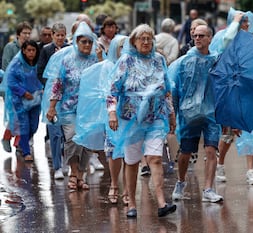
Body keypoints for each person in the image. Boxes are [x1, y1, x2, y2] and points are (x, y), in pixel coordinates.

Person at [107, 24, 176, 218]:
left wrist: (171, 114)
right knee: (132, 161)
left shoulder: (159, 60)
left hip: (155, 118)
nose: (146, 42)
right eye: (142, 39)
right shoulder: (126, 61)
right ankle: (131, 203)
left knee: (155, 158)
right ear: (133, 42)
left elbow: (167, 90)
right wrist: (112, 113)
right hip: (131, 119)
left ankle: (162, 202)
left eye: (149, 38)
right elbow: (113, 91)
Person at [168, 25, 222, 203]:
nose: (197, 38)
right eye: (195, 35)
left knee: (211, 150)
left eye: (202, 36)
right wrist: (174, 113)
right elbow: (174, 88)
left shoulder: (217, 60)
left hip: (211, 113)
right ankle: (181, 182)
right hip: (189, 113)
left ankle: (208, 189)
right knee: (186, 152)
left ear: (210, 38)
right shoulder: (184, 61)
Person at [45, 22, 101, 191]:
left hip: (89, 110)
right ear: (76, 42)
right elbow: (58, 84)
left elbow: (103, 80)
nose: (86, 45)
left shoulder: (95, 59)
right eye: (83, 41)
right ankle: (73, 172)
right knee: (72, 139)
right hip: (69, 108)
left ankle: (81, 176)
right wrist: (52, 106)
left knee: (86, 143)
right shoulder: (67, 60)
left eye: (89, 42)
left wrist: (100, 60)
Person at [74, 35, 129, 204]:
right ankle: (114, 184)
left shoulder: (132, 65)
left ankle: (127, 189)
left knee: (129, 151)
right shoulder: (106, 67)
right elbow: (102, 91)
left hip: (129, 115)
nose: (124, 51)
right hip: (111, 116)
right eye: (121, 48)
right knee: (113, 151)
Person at [209, 7, 253, 183]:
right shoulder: (224, 38)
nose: (247, 24)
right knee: (228, 132)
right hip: (229, 91)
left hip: (246, 89)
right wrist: (235, 22)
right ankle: (220, 164)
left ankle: (251, 170)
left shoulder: (249, 40)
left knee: (250, 130)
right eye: (243, 21)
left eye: (246, 21)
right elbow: (227, 39)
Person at [37, 22, 69, 179]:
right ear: (53, 35)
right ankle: (57, 166)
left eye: (63, 35)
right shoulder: (46, 50)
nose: (60, 38)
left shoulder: (71, 49)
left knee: (68, 133)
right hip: (51, 96)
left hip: (69, 97)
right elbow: (40, 71)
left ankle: (68, 163)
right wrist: (48, 86)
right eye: (58, 35)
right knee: (54, 131)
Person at [3, 40, 42, 161]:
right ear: (24, 51)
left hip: (36, 100)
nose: (31, 53)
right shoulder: (16, 64)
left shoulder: (38, 63)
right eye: (28, 50)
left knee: (34, 126)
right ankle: (26, 152)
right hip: (20, 100)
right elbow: (10, 81)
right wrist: (23, 93)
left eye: (33, 50)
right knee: (24, 126)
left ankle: (22, 143)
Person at [1, 21, 32, 153]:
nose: (27, 35)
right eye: (24, 33)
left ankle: (18, 142)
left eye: (29, 33)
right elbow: (5, 66)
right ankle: (9, 138)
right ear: (18, 34)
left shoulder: (30, 47)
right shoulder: (10, 47)